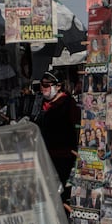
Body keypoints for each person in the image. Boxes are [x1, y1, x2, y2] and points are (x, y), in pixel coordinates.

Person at [31, 69, 81, 202]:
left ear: (58, 86)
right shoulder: (39, 102)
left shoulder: (67, 103)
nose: (43, 88)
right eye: (41, 85)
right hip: (45, 155)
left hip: (63, 157)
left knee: (61, 194)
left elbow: (77, 127)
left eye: (47, 85)